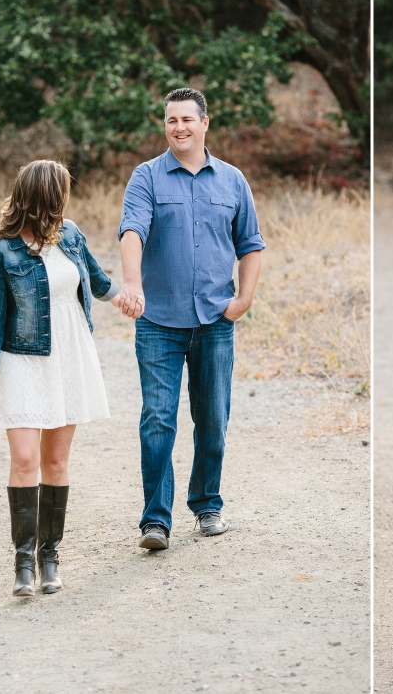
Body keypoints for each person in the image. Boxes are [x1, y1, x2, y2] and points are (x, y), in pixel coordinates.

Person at [116, 87, 265, 551]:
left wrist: (243, 300)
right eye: (170, 120)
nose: (178, 128)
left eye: (186, 119)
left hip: (215, 322)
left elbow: (252, 245)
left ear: (205, 123)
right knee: (158, 419)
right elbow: (132, 231)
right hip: (158, 319)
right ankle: (155, 521)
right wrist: (133, 283)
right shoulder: (146, 178)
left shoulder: (233, 181)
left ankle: (207, 505)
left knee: (213, 418)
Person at [0, 160, 121, 596]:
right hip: (23, 362)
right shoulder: (0, 252)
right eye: (61, 193)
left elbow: (97, 281)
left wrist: (127, 298)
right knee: (24, 460)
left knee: (55, 461)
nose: (65, 200)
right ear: (45, 196)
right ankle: (23, 564)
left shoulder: (70, 234)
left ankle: (49, 557)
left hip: (69, 357)